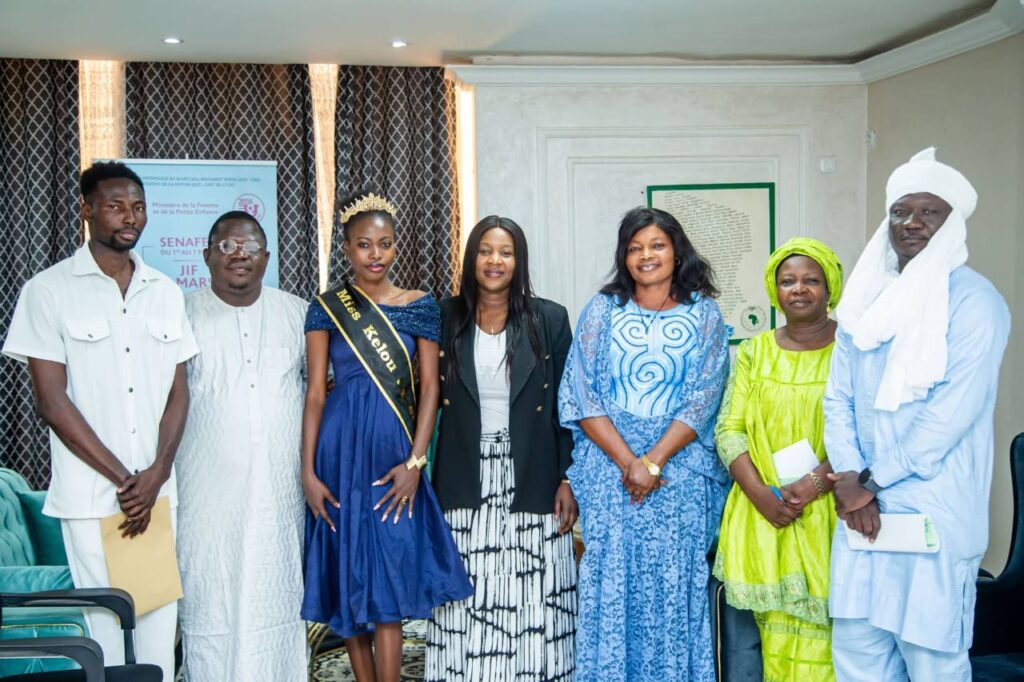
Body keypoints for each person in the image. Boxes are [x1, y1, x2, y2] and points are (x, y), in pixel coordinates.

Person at [1, 161, 196, 680]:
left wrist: (156, 474)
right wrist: (125, 480)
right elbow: (52, 401)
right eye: (115, 206)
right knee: (105, 627)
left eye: (138, 207)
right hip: (92, 497)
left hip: (156, 494)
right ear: (86, 210)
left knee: (158, 626)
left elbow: (178, 392)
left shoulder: (165, 291)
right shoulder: (48, 290)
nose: (129, 217)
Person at [825, 148, 1010, 681]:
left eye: (929, 211)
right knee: (857, 655)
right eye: (901, 211)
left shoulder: (976, 303)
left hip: (933, 510)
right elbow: (837, 401)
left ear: (952, 223)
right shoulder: (865, 302)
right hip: (861, 512)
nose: (912, 222)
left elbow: (948, 417)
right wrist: (851, 480)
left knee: (932, 660)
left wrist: (869, 483)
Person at [300, 190, 472, 682]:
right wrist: (308, 471)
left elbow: (431, 388)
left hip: (394, 451)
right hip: (337, 452)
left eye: (385, 243)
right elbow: (315, 392)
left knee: (389, 575)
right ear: (346, 249)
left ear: (396, 246)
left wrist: (416, 462)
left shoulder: (419, 306)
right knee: (346, 568)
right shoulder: (327, 308)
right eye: (363, 245)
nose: (375, 254)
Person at [558, 206, 730, 681]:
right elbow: (582, 393)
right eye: (635, 248)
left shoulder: (704, 314)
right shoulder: (602, 310)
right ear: (624, 256)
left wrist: (653, 461)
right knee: (613, 584)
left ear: (677, 252)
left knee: (675, 587)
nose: (646, 255)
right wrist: (629, 462)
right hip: (612, 475)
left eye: (657, 245)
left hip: (680, 474)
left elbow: (705, 397)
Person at [426, 216, 578, 682]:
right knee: (467, 592)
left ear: (519, 260)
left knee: (534, 590)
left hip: (532, 471)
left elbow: (568, 406)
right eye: (486, 251)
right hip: (464, 474)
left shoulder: (549, 319)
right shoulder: (444, 316)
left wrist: (568, 477)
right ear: (471, 258)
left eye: (506, 252)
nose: (495, 261)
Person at [175, 211, 308, 681]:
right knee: (209, 595)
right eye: (227, 246)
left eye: (250, 247)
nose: (239, 255)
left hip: (281, 492)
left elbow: (323, 392)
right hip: (205, 497)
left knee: (278, 593)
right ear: (207, 256)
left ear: (266, 258)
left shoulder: (297, 313)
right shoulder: (181, 314)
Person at [713, 237, 844, 681]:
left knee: (830, 643)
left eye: (811, 280)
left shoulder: (852, 350)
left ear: (830, 287)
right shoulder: (755, 352)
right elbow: (729, 430)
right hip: (765, 514)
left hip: (831, 513)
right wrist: (763, 497)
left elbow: (867, 433)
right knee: (774, 644)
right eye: (787, 281)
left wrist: (814, 484)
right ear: (775, 289)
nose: (799, 289)